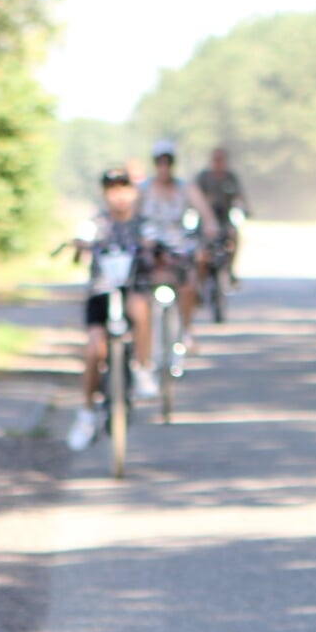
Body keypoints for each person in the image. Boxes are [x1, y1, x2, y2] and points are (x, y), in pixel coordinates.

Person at [66, 169, 157, 451]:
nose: (118, 195)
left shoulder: (142, 224)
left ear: (133, 191)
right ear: (105, 194)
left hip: (131, 289)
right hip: (101, 293)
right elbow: (81, 242)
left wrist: (153, 249)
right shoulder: (96, 223)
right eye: (112, 189)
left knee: (140, 308)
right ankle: (87, 412)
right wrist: (81, 246)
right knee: (95, 350)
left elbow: (154, 244)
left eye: (123, 188)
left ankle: (143, 368)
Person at [138, 139, 217, 347]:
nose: (164, 167)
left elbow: (205, 213)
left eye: (168, 162)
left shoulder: (185, 188)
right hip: (150, 248)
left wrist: (211, 226)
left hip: (179, 247)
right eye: (159, 162)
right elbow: (129, 216)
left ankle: (186, 327)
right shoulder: (143, 189)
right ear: (155, 164)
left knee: (190, 280)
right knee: (137, 290)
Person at [194, 145, 249, 286]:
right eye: (215, 159)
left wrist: (246, 209)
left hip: (224, 219)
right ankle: (198, 281)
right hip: (205, 223)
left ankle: (230, 268)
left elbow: (240, 196)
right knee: (199, 250)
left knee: (234, 235)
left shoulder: (230, 177)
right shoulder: (203, 177)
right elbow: (194, 196)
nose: (218, 163)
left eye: (221, 159)